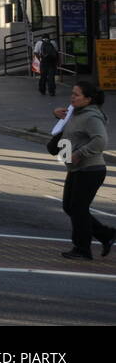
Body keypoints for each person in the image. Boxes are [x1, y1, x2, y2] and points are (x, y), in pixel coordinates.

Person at [51, 82, 112, 260]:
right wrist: (56, 115)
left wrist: (80, 153)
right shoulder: (74, 112)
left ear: (88, 99)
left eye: (76, 95)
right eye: (72, 93)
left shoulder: (92, 117)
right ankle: (106, 235)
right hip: (77, 168)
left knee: (78, 209)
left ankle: (82, 249)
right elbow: (68, 131)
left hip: (90, 169)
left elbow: (101, 141)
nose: (72, 97)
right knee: (70, 207)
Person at [35, 33, 60, 98]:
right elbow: (56, 52)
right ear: (49, 37)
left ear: (42, 37)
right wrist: (57, 61)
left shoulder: (39, 43)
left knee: (43, 76)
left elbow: (36, 52)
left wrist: (39, 59)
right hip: (52, 62)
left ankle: (42, 90)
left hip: (43, 62)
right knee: (51, 77)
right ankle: (51, 91)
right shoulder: (53, 42)